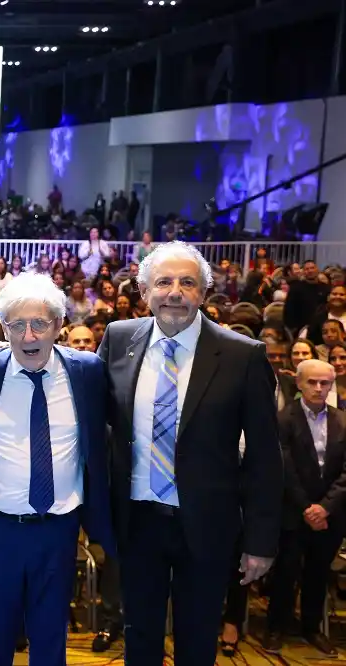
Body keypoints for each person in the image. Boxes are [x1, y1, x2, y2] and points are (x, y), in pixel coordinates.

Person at [96, 241, 282, 666]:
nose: (174, 292)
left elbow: (265, 460)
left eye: (187, 282)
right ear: (145, 292)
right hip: (137, 521)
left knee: (197, 643)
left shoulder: (242, 355)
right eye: (163, 282)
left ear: (203, 291)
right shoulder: (118, 338)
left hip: (207, 527)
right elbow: (93, 418)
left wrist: (260, 541)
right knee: (139, 639)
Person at [0, 271, 114, 666]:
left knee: (50, 636)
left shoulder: (87, 371)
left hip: (60, 527)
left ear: (59, 325)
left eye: (39, 323)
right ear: (2, 326)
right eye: (17, 325)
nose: (28, 337)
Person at [262, 360, 346, 656]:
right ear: (298, 383)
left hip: (330, 515)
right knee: (286, 572)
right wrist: (308, 508)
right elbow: (284, 469)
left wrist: (324, 508)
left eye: (325, 383)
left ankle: (311, 628)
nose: (319, 388)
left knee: (318, 573)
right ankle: (275, 628)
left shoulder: (343, 420)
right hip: (294, 512)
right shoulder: (283, 419)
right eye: (312, 382)